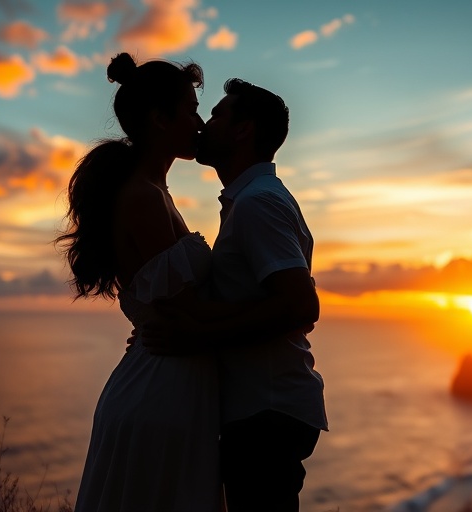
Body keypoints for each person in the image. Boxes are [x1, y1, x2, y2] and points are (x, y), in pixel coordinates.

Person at [59, 53, 220, 511]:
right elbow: (190, 311)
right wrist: (283, 308)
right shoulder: (143, 198)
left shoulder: (154, 189)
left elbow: (176, 305)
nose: (200, 122)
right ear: (159, 119)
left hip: (166, 382)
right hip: (162, 392)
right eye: (191, 111)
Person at [197, 79, 328, 511]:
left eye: (217, 113)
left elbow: (299, 304)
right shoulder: (252, 199)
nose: (204, 122)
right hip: (264, 410)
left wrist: (197, 334)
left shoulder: (257, 203)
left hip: (265, 414)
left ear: (242, 130)